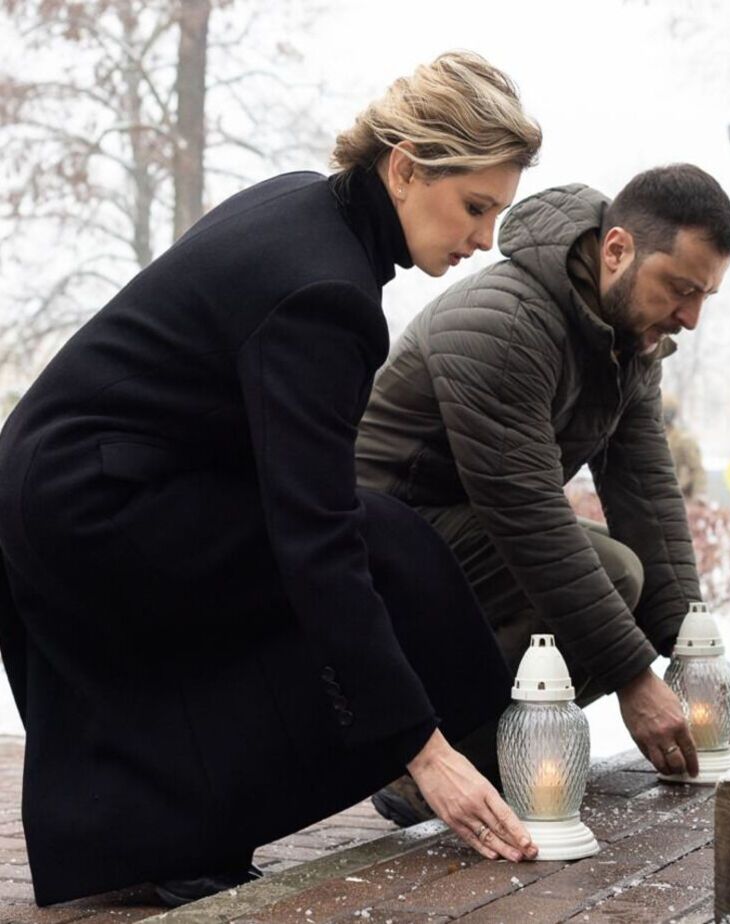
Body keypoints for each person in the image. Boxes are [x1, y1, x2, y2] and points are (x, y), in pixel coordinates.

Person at [0, 52, 546, 907]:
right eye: (476, 208)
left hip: (66, 482)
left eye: (497, 214)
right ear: (404, 167)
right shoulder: (325, 293)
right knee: (380, 562)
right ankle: (185, 830)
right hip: (98, 505)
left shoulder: (305, 207)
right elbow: (318, 539)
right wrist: (420, 746)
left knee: (379, 551)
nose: (482, 240)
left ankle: (177, 835)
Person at [353, 165, 730, 816]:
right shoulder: (505, 322)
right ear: (616, 249)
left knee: (628, 573)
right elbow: (527, 516)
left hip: (455, 533)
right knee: (613, 576)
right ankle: (423, 767)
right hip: (372, 535)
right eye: (680, 288)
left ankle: (469, 756)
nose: (691, 318)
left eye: (704, 296)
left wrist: (693, 658)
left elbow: (646, 496)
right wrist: (632, 679)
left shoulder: (626, 344)